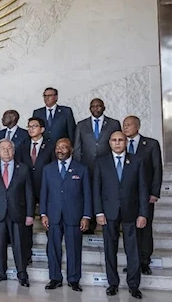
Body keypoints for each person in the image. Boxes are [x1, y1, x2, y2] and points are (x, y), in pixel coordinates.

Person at [93, 131, 148, 299]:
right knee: (110, 250)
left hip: (131, 212)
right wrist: (99, 212)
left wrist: (143, 213)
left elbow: (143, 189)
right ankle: (113, 284)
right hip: (108, 212)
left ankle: (133, 285)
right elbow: (96, 188)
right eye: (114, 140)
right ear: (109, 142)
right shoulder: (101, 162)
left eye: (121, 140)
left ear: (126, 142)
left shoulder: (137, 161)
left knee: (133, 251)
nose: (117, 143)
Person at [40, 138, 92, 291]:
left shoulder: (81, 169)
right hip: (53, 215)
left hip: (74, 215)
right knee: (53, 248)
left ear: (71, 150)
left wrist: (86, 216)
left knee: (74, 248)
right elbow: (44, 193)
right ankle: (55, 278)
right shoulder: (48, 169)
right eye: (57, 147)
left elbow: (87, 194)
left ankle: (74, 279)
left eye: (63, 147)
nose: (60, 150)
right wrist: (43, 214)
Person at [0, 138, 34, 287]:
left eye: (9, 148)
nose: (6, 151)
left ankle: (22, 274)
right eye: (3, 149)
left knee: (19, 246)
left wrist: (30, 214)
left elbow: (29, 193)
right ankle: (0, 272)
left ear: (14, 150)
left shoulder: (23, 168)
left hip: (17, 213)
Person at [123, 115, 163, 275]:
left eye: (129, 125)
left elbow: (157, 169)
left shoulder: (151, 144)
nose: (126, 127)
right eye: (124, 125)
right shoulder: (120, 144)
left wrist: (154, 192)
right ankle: (133, 261)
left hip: (145, 195)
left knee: (145, 229)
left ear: (137, 127)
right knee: (130, 229)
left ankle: (145, 261)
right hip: (127, 196)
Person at [16, 117, 55, 262]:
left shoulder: (50, 145)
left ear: (42, 129)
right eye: (29, 126)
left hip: (45, 188)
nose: (31, 129)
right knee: (26, 223)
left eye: (34, 126)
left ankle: (51, 254)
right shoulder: (23, 145)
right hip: (26, 189)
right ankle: (26, 255)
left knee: (49, 222)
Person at [73, 98, 121, 173]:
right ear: (90, 109)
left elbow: (119, 144)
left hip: (107, 164)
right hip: (87, 164)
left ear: (104, 108)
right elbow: (77, 146)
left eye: (98, 106)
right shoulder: (81, 125)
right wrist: (77, 164)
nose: (95, 108)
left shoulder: (114, 124)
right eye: (93, 106)